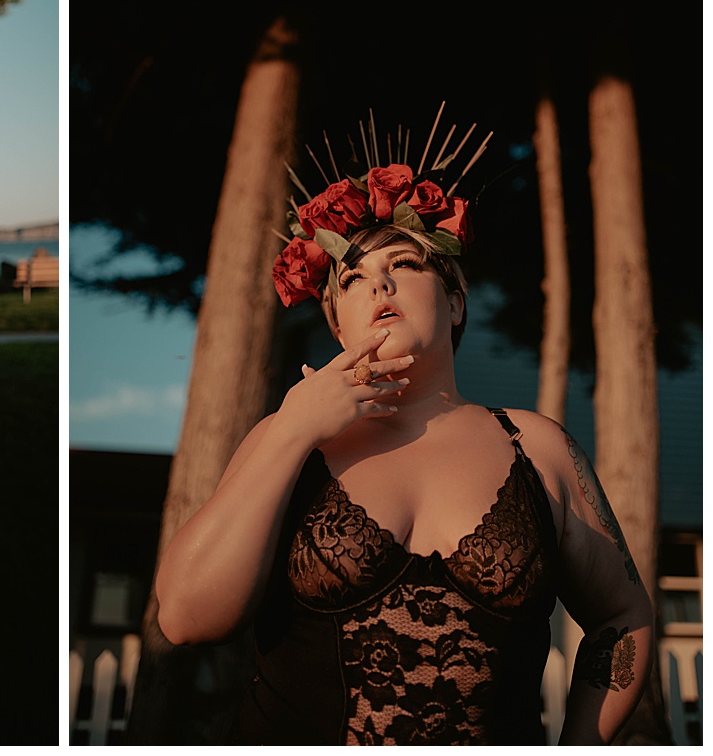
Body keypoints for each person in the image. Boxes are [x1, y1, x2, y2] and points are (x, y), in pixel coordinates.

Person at [154, 111, 653, 744]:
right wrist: (291, 428)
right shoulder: (290, 441)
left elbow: (622, 613)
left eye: (405, 264)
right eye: (353, 278)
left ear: (454, 301)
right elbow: (187, 617)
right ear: (338, 324)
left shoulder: (538, 447)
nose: (379, 282)